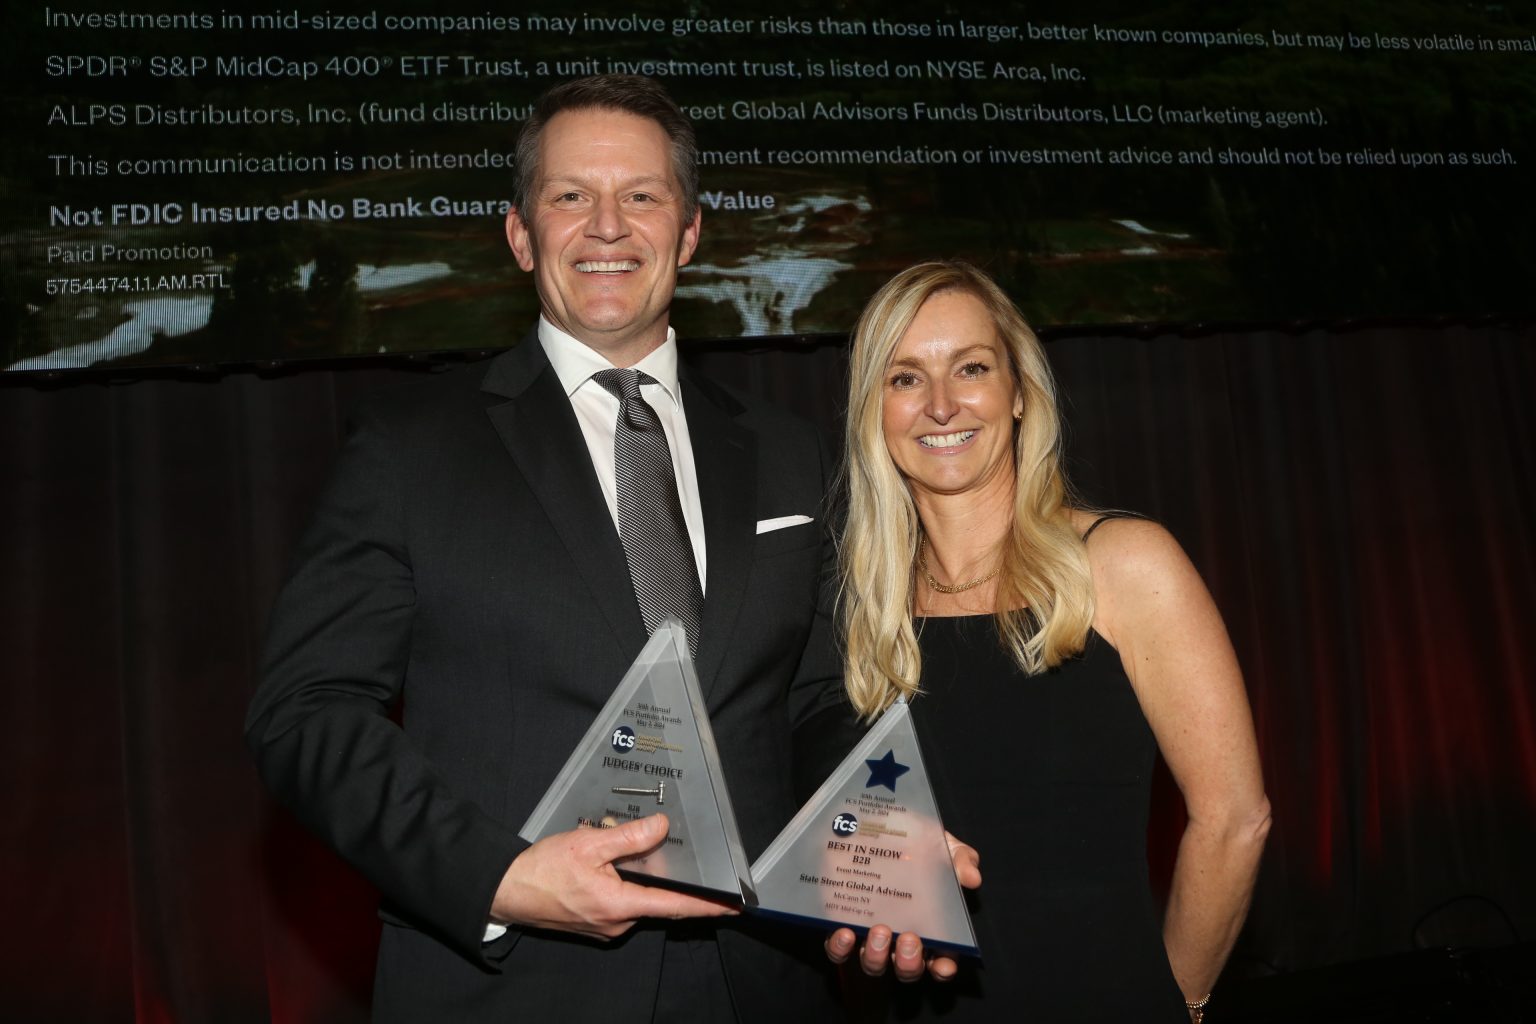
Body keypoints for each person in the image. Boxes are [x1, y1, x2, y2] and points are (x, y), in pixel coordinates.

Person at [246, 74, 868, 1022]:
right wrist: (498, 877)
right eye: (571, 195)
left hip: (764, 984)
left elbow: (818, 700)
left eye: (642, 195)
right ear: (520, 234)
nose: (607, 226)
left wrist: (880, 834)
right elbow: (306, 712)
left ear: (689, 232)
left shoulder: (790, 452)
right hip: (516, 987)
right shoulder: (410, 448)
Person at [834, 261, 1271, 1021]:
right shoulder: (862, 604)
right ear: (874, 409)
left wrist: (1180, 1005)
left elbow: (1235, 819)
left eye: (971, 368)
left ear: (1020, 393)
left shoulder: (1124, 563)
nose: (941, 404)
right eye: (905, 378)